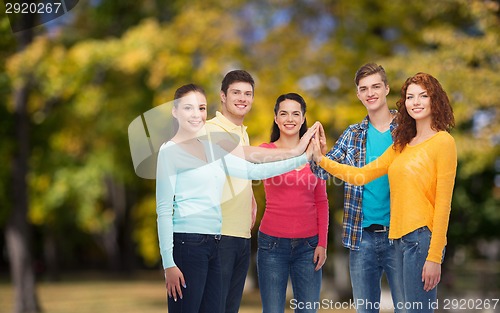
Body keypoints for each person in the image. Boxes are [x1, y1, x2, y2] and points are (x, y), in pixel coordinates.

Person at [156, 84, 313, 313]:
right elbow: (163, 210)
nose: (197, 114)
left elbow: (254, 172)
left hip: (215, 243)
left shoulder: (213, 149)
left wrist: (303, 157)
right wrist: (168, 262)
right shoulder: (170, 150)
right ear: (175, 111)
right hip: (186, 244)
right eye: (188, 108)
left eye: (201, 108)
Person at [312, 72, 457, 313]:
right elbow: (362, 175)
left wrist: (435, 257)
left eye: (423, 95)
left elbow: (443, 204)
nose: (416, 102)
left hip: (421, 240)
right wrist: (320, 159)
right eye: (410, 97)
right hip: (398, 241)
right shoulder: (402, 143)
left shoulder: (443, 142)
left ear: (435, 100)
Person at [203, 70, 316, 313]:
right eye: (236, 92)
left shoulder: (241, 132)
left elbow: (238, 170)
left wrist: (250, 195)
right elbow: (247, 156)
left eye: (248, 94)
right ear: (222, 96)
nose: (242, 98)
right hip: (217, 234)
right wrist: (297, 153)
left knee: (229, 307)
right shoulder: (211, 129)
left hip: (241, 234)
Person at [310, 63, 404, 312]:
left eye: (375, 86)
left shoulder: (407, 130)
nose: (370, 93)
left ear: (386, 88)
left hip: (401, 235)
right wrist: (319, 151)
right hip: (361, 238)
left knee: (407, 307)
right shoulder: (352, 134)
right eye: (364, 88)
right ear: (358, 94)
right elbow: (320, 171)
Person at [257, 93, 329, 313]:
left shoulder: (314, 155)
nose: (290, 118)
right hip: (272, 246)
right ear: (276, 119)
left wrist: (322, 244)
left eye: (295, 113)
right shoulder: (265, 151)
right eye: (284, 113)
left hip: (309, 247)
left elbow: (321, 201)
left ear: (303, 117)